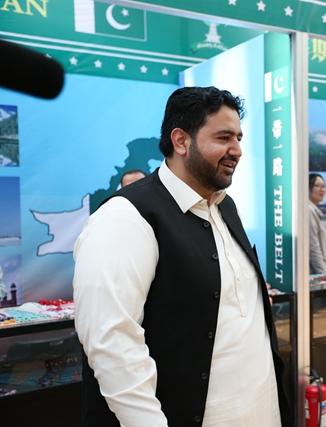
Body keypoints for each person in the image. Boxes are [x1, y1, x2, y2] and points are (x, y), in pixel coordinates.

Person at [73, 86, 291, 427]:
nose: (237, 150)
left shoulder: (225, 206)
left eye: (238, 138)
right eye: (223, 138)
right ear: (181, 141)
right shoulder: (125, 217)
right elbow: (112, 346)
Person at [309, 173, 326, 274]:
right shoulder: (308, 210)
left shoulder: (313, 210)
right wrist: (323, 275)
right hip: (315, 274)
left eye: (323, 186)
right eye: (317, 186)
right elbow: (313, 247)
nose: (322, 190)